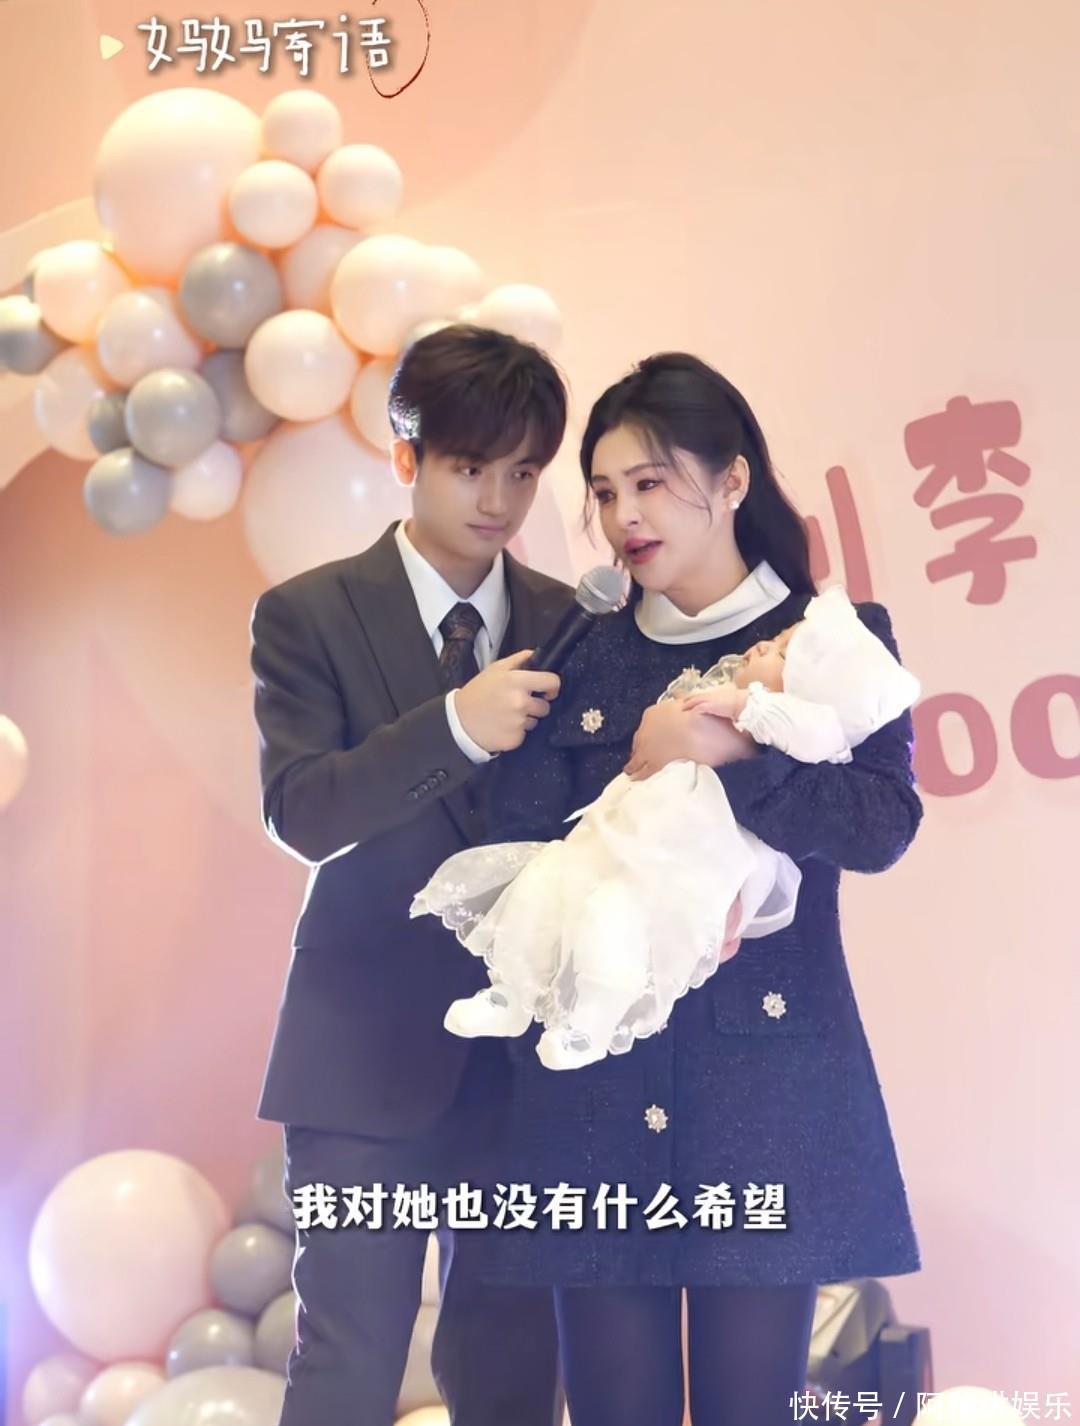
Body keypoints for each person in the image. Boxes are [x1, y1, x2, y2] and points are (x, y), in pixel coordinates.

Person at [460, 352, 924, 1426]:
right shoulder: (576, 652)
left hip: (768, 1082)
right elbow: (516, 846)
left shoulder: (830, 641)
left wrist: (730, 755)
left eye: (651, 483)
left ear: (733, 479)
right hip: (595, 1093)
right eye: (605, 492)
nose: (624, 515)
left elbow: (880, 826)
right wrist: (632, 777)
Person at [249, 325, 572, 1426]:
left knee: (514, 1371)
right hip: (360, 1053)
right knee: (349, 1363)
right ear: (406, 455)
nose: (498, 500)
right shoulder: (307, 614)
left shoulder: (574, 623)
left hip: (525, 1065)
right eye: (470, 467)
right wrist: (455, 728)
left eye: (522, 472)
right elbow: (302, 811)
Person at [413, 584, 921, 1071]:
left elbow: (874, 820)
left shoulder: (831, 670)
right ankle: (509, 993)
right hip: (613, 833)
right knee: (540, 885)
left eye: (785, 653)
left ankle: (589, 1024)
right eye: (779, 642)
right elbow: (521, 810)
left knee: (613, 924)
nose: (767, 646)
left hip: (742, 1019)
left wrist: (727, 739)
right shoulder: (592, 641)